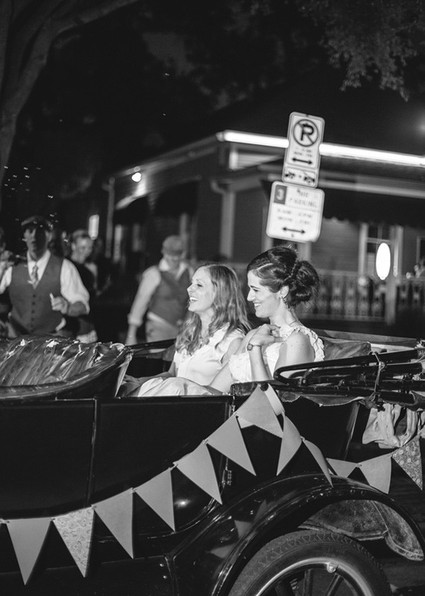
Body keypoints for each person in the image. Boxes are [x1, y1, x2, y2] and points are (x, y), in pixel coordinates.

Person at [121, 263, 250, 396]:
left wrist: (178, 386)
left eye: (199, 285)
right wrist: (139, 381)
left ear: (220, 293)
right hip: (173, 402)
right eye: (191, 283)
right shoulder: (190, 332)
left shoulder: (233, 341)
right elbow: (171, 374)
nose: (189, 289)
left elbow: (222, 395)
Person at [209, 245, 324, 392]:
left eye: (256, 290)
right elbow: (213, 391)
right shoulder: (253, 335)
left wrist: (255, 349)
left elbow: (272, 401)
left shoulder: (297, 340)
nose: (249, 297)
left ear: (282, 291)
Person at [0, 215, 90, 338]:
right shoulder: (11, 264)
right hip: (16, 339)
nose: (34, 236)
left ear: (49, 236)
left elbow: (83, 305)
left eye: (40, 232)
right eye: (30, 231)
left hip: (50, 340)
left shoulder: (65, 267)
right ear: (24, 236)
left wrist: (68, 307)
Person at [125, 235, 193, 345]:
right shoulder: (153, 273)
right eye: (170, 255)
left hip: (181, 328)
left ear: (182, 254)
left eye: (177, 255)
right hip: (157, 326)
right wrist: (131, 336)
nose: (174, 259)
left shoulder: (188, 271)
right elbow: (140, 303)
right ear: (163, 253)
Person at [66, 229, 98, 343]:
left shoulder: (91, 267)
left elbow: (93, 293)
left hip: (87, 317)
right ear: (73, 246)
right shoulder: (65, 265)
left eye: (89, 248)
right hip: (70, 318)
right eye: (83, 248)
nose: (87, 251)